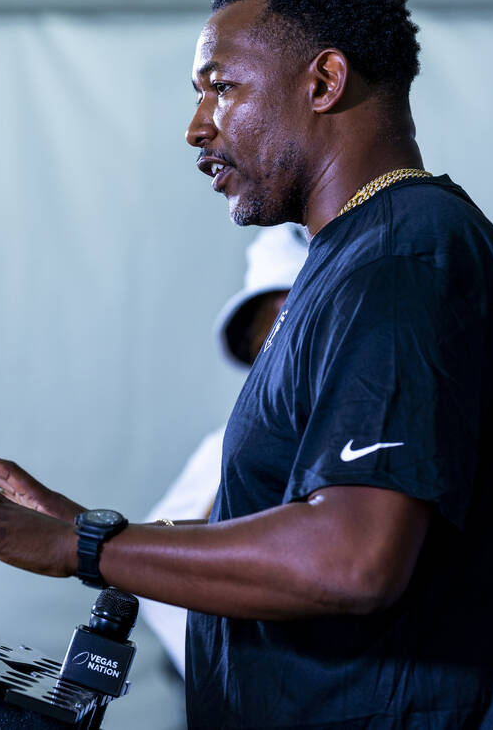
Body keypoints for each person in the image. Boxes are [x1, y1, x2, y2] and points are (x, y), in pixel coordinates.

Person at [0, 0, 493, 728]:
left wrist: (79, 548)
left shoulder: (403, 259)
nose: (195, 127)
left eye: (221, 87)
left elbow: (350, 558)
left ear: (323, 82)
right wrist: (83, 525)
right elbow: (289, 522)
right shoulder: (354, 257)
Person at [140, 224, 309, 677]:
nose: (289, 348)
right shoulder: (227, 446)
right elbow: (154, 557)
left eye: (310, 320)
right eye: (271, 331)